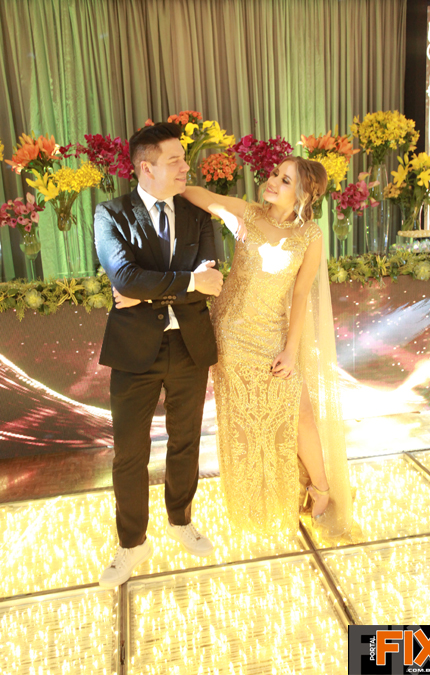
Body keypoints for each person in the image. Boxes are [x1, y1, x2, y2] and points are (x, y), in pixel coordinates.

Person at [115, 155, 352, 538]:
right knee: (246, 421)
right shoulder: (249, 212)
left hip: (273, 334)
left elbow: (300, 295)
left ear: (304, 195)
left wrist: (291, 349)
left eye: (285, 180)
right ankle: (258, 501)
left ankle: (319, 490)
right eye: (275, 173)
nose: (272, 180)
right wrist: (219, 210)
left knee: (299, 411)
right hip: (231, 334)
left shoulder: (310, 235)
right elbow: (193, 193)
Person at [94, 122, 224, 588]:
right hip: (134, 352)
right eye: (175, 160)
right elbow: (124, 277)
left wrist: (149, 291)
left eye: (184, 158)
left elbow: (212, 280)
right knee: (130, 452)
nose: (186, 167)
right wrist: (186, 281)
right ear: (146, 168)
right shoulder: (110, 214)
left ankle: (180, 520)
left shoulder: (196, 213)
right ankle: (132, 543)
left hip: (190, 345)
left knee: (185, 442)